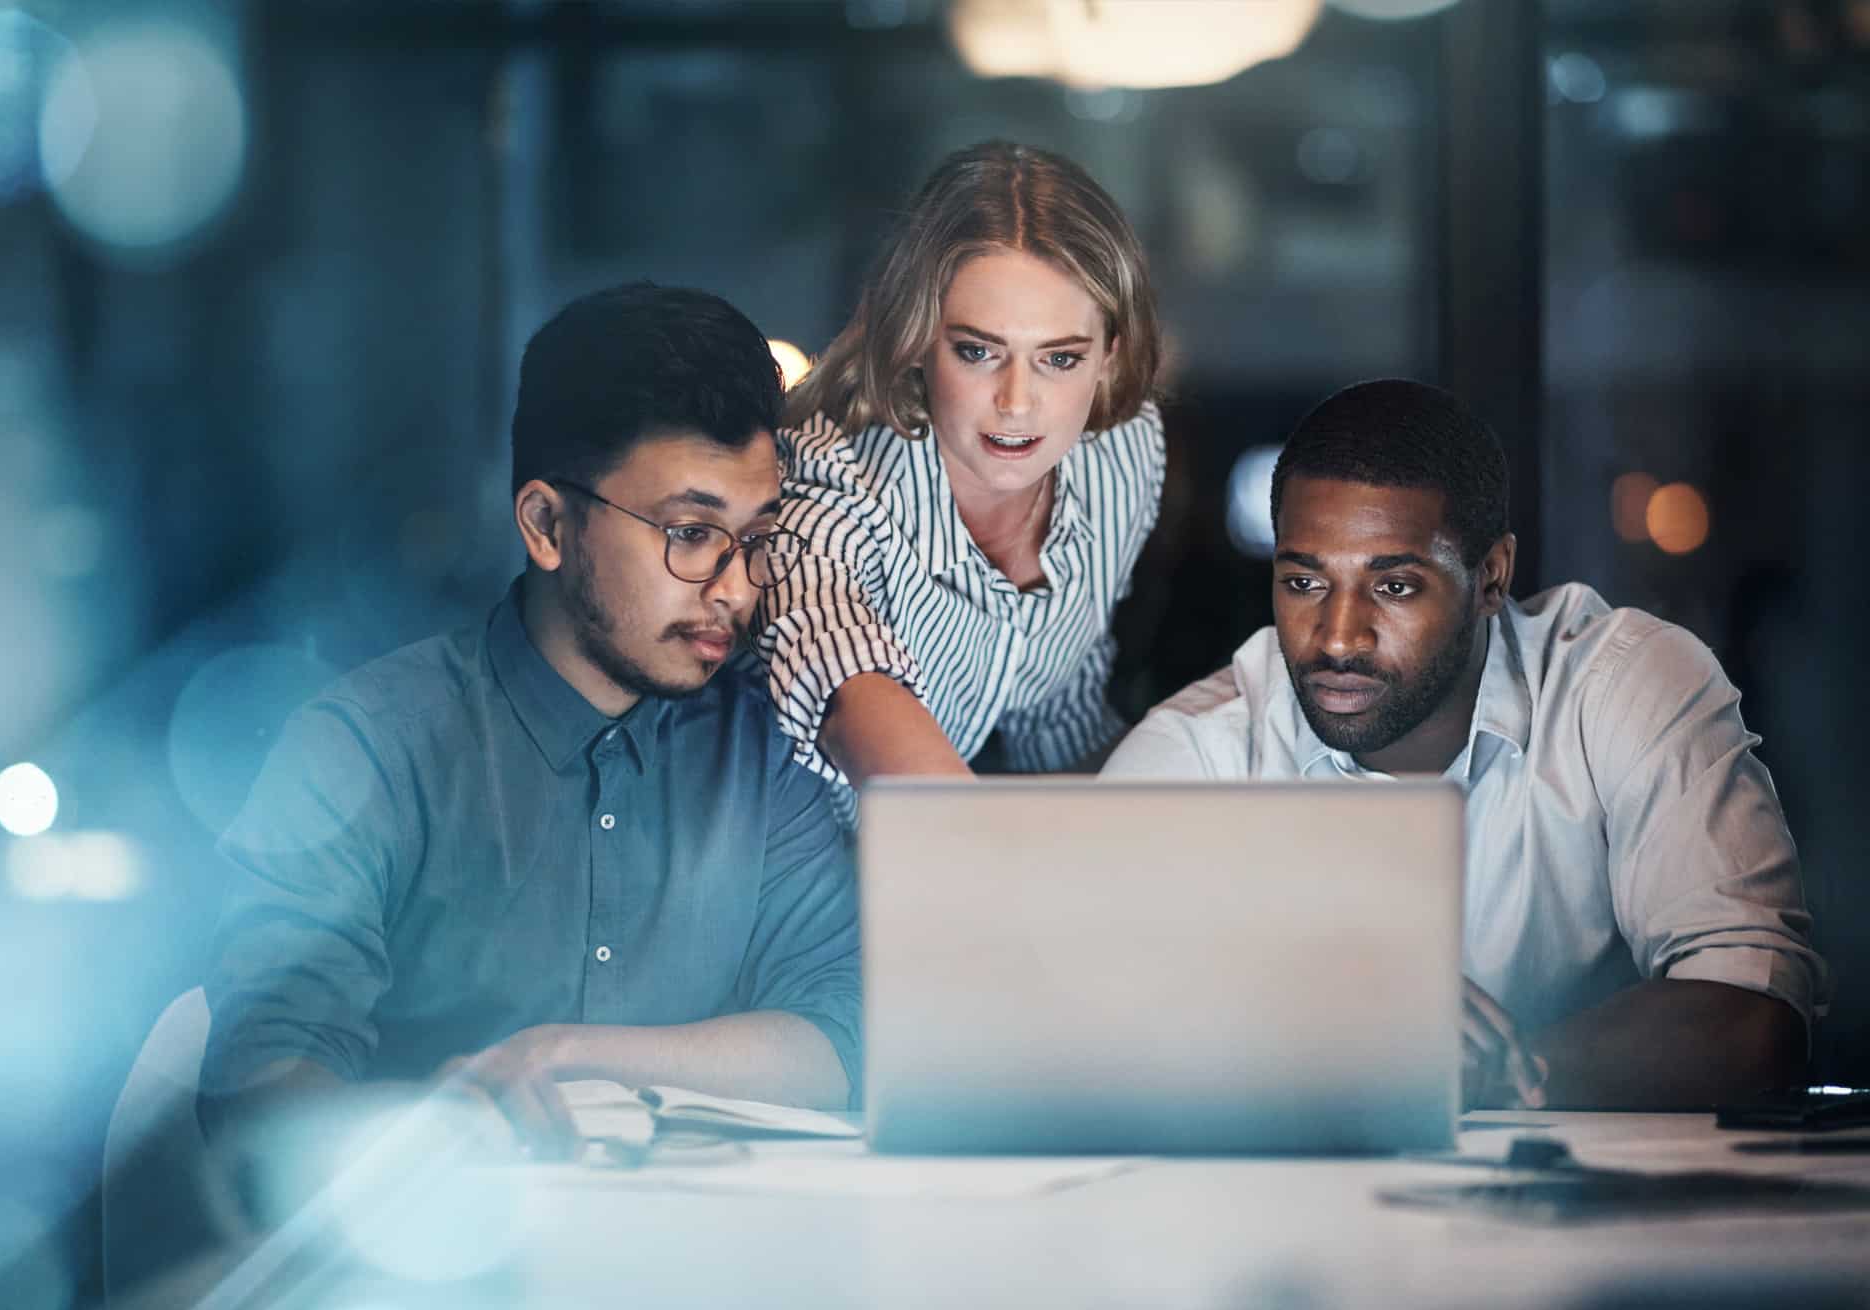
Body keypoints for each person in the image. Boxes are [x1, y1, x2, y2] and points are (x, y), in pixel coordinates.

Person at [198, 284, 861, 1157]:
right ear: (548, 524)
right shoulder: (368, 750)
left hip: (709, 1263)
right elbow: (262, 1076)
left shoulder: (765, 748)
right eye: (691, 532)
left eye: (756, 537)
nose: (736, 588)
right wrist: (422, 1135)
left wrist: (576, 1059)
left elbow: (844, 1030)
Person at [1105, 379, 1825, 1111]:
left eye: (1393, 587)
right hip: (1298, 1221)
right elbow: (1077, 1040)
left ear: (1491, 578)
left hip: (1597, 1219)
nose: (1338, 636)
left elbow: (1755, 1013)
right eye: (1304, 582)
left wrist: (1479, 1074)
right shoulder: (1192, 759)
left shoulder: (1618, 689)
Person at [753, 142, 1167, 819]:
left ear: (1110, 357)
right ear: (918, 337)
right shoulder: (830, 481)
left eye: (1059, 359)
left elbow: (1057, 713)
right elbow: (844, 678)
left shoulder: (1122, 453)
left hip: (955, 867)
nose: (1017, 401)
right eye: (978, 351)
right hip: (791, 884)